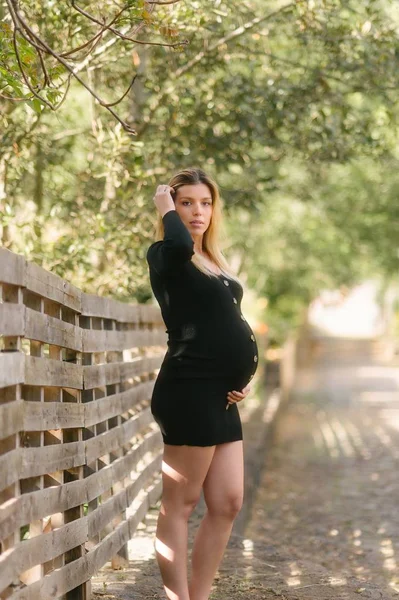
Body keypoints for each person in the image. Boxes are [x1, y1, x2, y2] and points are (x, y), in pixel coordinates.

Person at [146, 167, 259, 600]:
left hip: (223, 396)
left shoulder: (214, 262)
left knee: (229, 501)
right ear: (173, 207)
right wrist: (163, 206)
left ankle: (200, 595)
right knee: (180, 503)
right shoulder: (166, 254)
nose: (198, 212)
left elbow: (227, 325)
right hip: (188, 389)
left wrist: (242, 378)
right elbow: (176, 241)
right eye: (187, 203)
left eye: (206, 203)